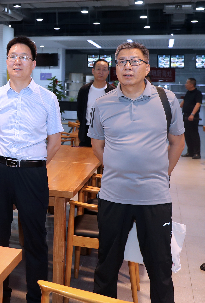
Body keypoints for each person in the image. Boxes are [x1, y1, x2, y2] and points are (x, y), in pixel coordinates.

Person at [88, 42, 184, 303]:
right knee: (106, 266)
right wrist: (116, 166)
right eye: (121, 61)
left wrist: (163, 173)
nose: (127, 66)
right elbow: (97, 144)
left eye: (134, 61)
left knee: (160, 268)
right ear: (115, 68)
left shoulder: (166, 100)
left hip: (154, 197)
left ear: (147, 68)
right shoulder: (102, 103)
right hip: (113, 195)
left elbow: (177, 142)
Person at [0, 36, 62, 303]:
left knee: (35, 237)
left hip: (32, 174)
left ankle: (35, 297)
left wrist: (33, 164)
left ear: (33, 63)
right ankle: (0, 294)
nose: (17, 61)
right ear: (6, 62)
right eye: (13, 56)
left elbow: (55, 141)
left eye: (24, 57)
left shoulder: (47, 98)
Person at [76, 59, 114, 147]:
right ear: (93, 71)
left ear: (108, 72)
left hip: (106, 132)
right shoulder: (84, 90)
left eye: (104, 69)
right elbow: (80, 111)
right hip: (87, 130)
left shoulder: (112, 91)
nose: (101, 72)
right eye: (98, 69)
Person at [180, 78, 202, 159]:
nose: (185, 84)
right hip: (185, 116)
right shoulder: (188, 93)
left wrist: (192, 114)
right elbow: (183, 102)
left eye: (187, 83)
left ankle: (196, 153)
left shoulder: (198, 93)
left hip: (193, 117)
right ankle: (190, 152)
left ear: (192, 85)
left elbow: (198, 104)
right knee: (187, 135)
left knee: (194, 134)